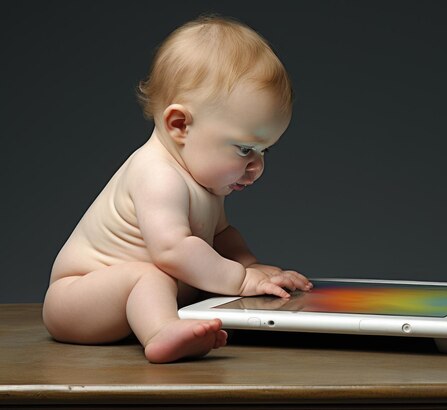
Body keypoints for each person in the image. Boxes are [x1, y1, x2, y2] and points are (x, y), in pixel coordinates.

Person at [42, 15, 312, 364]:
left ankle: (161, 322)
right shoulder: (157, 173)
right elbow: (172, 250)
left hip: (118, 307)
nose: (257, 167)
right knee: (149, 274)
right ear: (180, 125)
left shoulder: (203, 182)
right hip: (76, 301)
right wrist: (241, 279)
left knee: (178, 268)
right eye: (245, 149)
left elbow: (222, 236)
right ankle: (159, 333)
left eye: (265, 151)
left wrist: (255, 267)